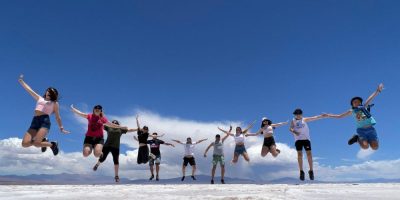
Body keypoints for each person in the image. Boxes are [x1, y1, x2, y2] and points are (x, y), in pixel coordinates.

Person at [18, 74, 70, 156]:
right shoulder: (39, 98)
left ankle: (52, 144)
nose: (48, 93)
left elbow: (57, 116)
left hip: (44, 121)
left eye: (50, 92)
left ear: (53, 95)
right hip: (34, 121)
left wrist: (61, 128)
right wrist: (21, 81)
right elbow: (29, 90)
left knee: (36, 143)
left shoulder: (55, 103)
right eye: (48, 91)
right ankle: (44, 140)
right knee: (24, 144)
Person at [326, 83, 384, 150]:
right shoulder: (352, 111)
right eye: (355, 102)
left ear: (361, 103)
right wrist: (328, 115)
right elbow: (340, 116)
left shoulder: (364, 107)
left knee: (375, 147)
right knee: (365, 146)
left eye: (358, 102)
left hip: (371, 129)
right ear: (352, 105)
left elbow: (370, 98)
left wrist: (377, 91)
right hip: (361, 130)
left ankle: (372, 141)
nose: (357, 103)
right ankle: (357, 138)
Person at [289, 108, 328, 181]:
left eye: (299, 114)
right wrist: (294, 131)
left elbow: (314, 118)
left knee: (309, 154)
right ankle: (301, 171)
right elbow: (290, 128)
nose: (297, 115)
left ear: (301, 114)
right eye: (296, 114)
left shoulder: (304, 119)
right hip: (298, 140)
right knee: (299, 154)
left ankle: (311, 170)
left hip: (306, 139)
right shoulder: (293, 121)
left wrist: (322, 116)